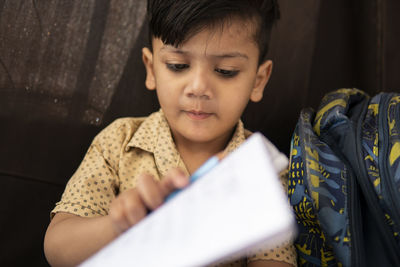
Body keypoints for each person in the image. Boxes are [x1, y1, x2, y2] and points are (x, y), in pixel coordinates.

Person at [44, 0, 297, 266]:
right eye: (178, 65)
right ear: (151, 68)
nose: (198, 87)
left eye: (225, 71)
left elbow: (275, 260)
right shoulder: (118, 142)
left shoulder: (261, 170)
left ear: (258, 81)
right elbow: (57, 248)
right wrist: (119, 227)